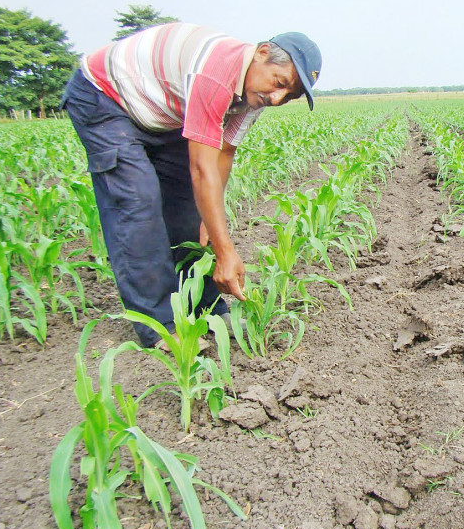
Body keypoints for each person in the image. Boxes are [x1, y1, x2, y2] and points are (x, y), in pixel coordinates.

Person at [61, 23, 322, 348]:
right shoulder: (216, 71)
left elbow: (223, 152)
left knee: (188, 212)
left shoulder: (254, 96)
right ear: (262, 53)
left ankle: (205, 308)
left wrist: (209, 223)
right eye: (279, 83)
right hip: (106, 99)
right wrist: (224, 252)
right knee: (138, 205)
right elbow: (202, 169)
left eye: (290, 95)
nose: (277, 97)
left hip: (163, 114)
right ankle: (159, 327)